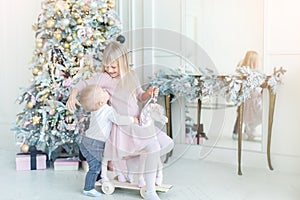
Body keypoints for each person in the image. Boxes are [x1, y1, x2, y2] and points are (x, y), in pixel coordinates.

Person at [66, 41, 174, 200]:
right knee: (144, 150)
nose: (110, 70)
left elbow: (140, 95)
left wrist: (149, 93)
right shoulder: (104, 78)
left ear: (123, 62)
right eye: (107, 66)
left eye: (113, 67)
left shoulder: (132, 75)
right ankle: (144, 186)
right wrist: (72, 95)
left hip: (137, 122)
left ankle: (149, 188)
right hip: (122, 126)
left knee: (154, 147)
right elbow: (83, 84)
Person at [77, 84, 139, 197]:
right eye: (103, 91)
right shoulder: (107, 110)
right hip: (94, 143)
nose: (106, 90)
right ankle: (88, 188)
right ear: (101, 102)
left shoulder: (96, 110)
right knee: (95, 167)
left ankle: (98, 179)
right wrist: (132, 119)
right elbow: (119, 120)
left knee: (98, 163)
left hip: (87, 140)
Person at [232, 51, 263, 141]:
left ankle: (243, 131)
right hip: (249, 100)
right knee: (250, 113)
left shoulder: (241, 71)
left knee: (241, 114)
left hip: (245, 100)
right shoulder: (253, 74)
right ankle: (244, 131)